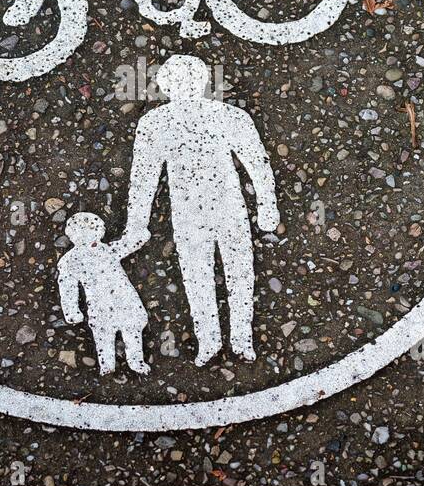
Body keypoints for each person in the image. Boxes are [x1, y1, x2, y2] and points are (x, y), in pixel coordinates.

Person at [116, 54, 278, 365]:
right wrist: (136, 223)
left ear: (202, 81)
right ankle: (209, 340)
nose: (184, 86)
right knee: (198, 276)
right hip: (188, 212)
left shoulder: (229, 116)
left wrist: (267, 205)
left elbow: (257, 164)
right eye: (176, 81)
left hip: (229, 206)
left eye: (189, 80)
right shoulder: (155, 123)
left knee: (238, 273)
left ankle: (241, 337)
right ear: (165, 86)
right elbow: (144, 176)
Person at [57, 212, 150, 375]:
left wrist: (139, 237)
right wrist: (71, 311)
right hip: (100, 305)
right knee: (104, 334)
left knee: (132, 329)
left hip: (124, 299)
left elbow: (125, 245)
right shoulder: (70, 260)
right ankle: (107, 366)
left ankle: (136, 361)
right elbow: (67, 286)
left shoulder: (106, 250)